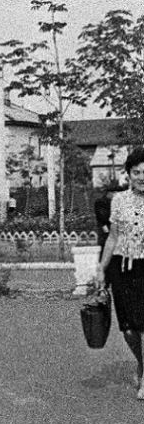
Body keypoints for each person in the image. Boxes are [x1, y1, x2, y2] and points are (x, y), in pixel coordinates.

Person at [92, 147, 144, 400]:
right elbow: (112, 238)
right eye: (137, 172)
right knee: (128, 329)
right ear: (129, 174)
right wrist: (101, 269)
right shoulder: (119, 200)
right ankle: (141, 363)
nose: (142, 177)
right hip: (121, 268)